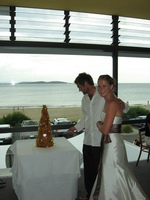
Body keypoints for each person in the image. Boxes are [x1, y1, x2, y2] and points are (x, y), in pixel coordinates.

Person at [68, 72, 129, 200]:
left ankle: (100, 195)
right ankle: (90, 194)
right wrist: (76, 127)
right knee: (89, 171)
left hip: (100, 140)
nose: (79, 90)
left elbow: (121, 106)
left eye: (79, 87)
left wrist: (124, 105)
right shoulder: (84, 100)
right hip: (87, 140)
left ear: (85, 84)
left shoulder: (102, 95)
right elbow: (86, 118)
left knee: (100, 171)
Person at [89, 74, 148, 200]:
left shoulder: (112, 103)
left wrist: (98, 123)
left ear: (111, 86)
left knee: (113, 171)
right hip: (110, 142)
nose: (100, 89)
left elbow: (105, 130)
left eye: (104, 86)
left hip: (112, 144)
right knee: (112, 172)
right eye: (99, 86)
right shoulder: (108, 101)